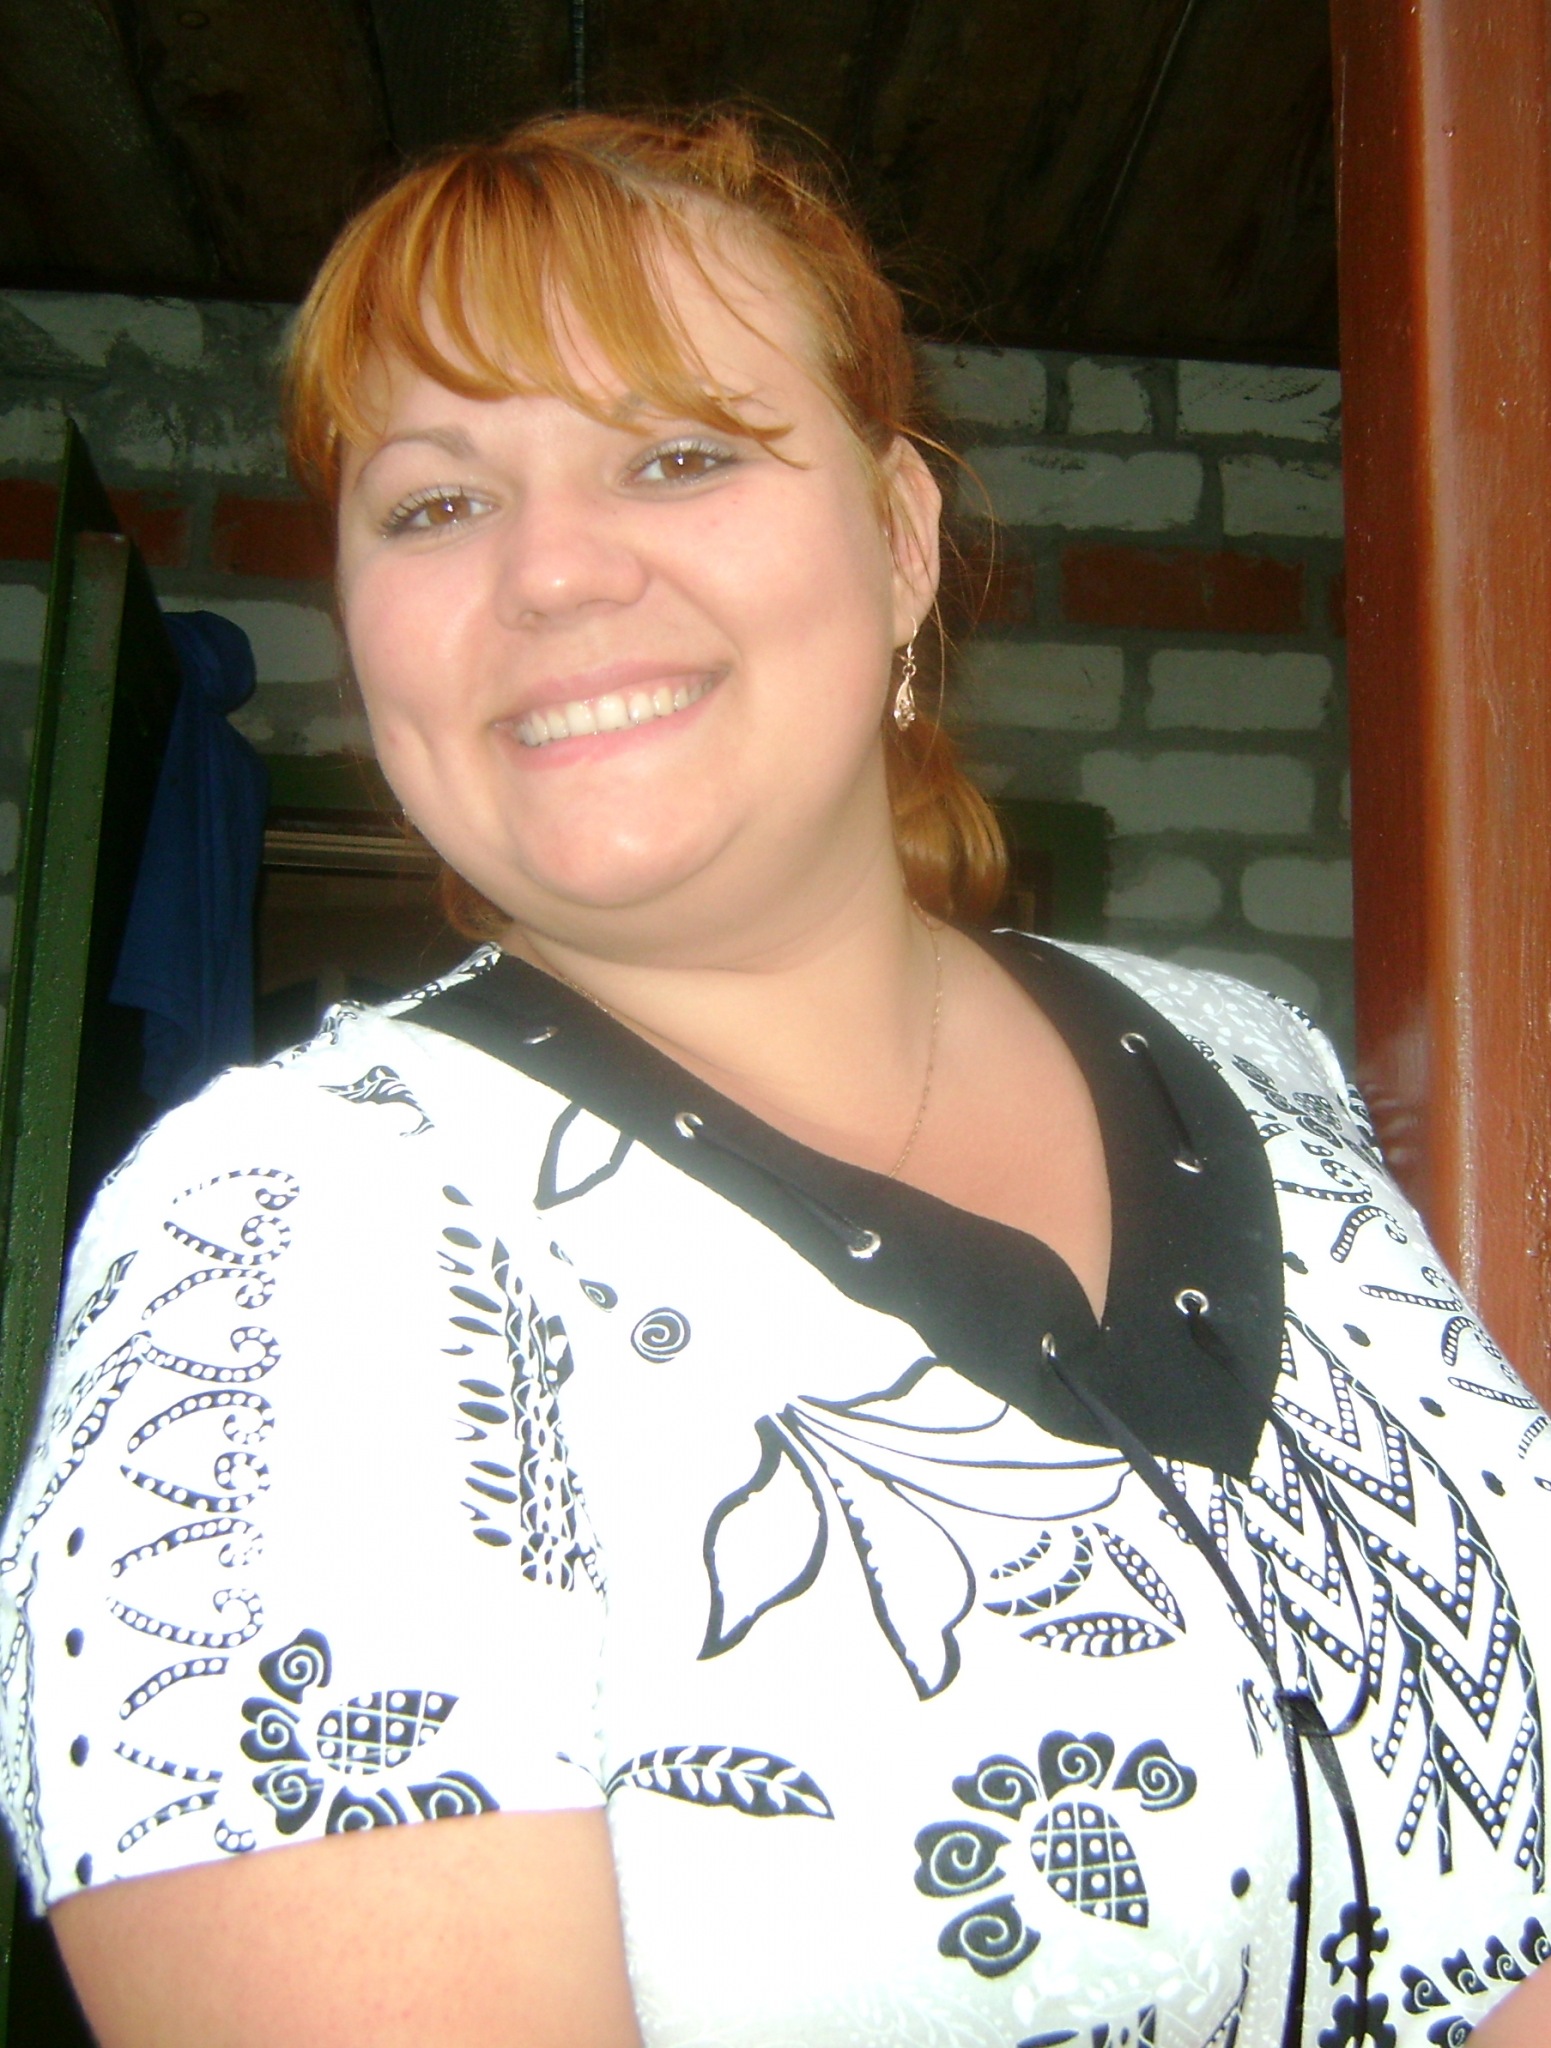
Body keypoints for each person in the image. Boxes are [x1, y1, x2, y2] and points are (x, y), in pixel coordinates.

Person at [1, 108, 1547, 2048]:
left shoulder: (1250, 1058)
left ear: (899, 542)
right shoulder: (285, 1245)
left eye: (676, 455)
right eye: (435, 504)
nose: (554, 573)